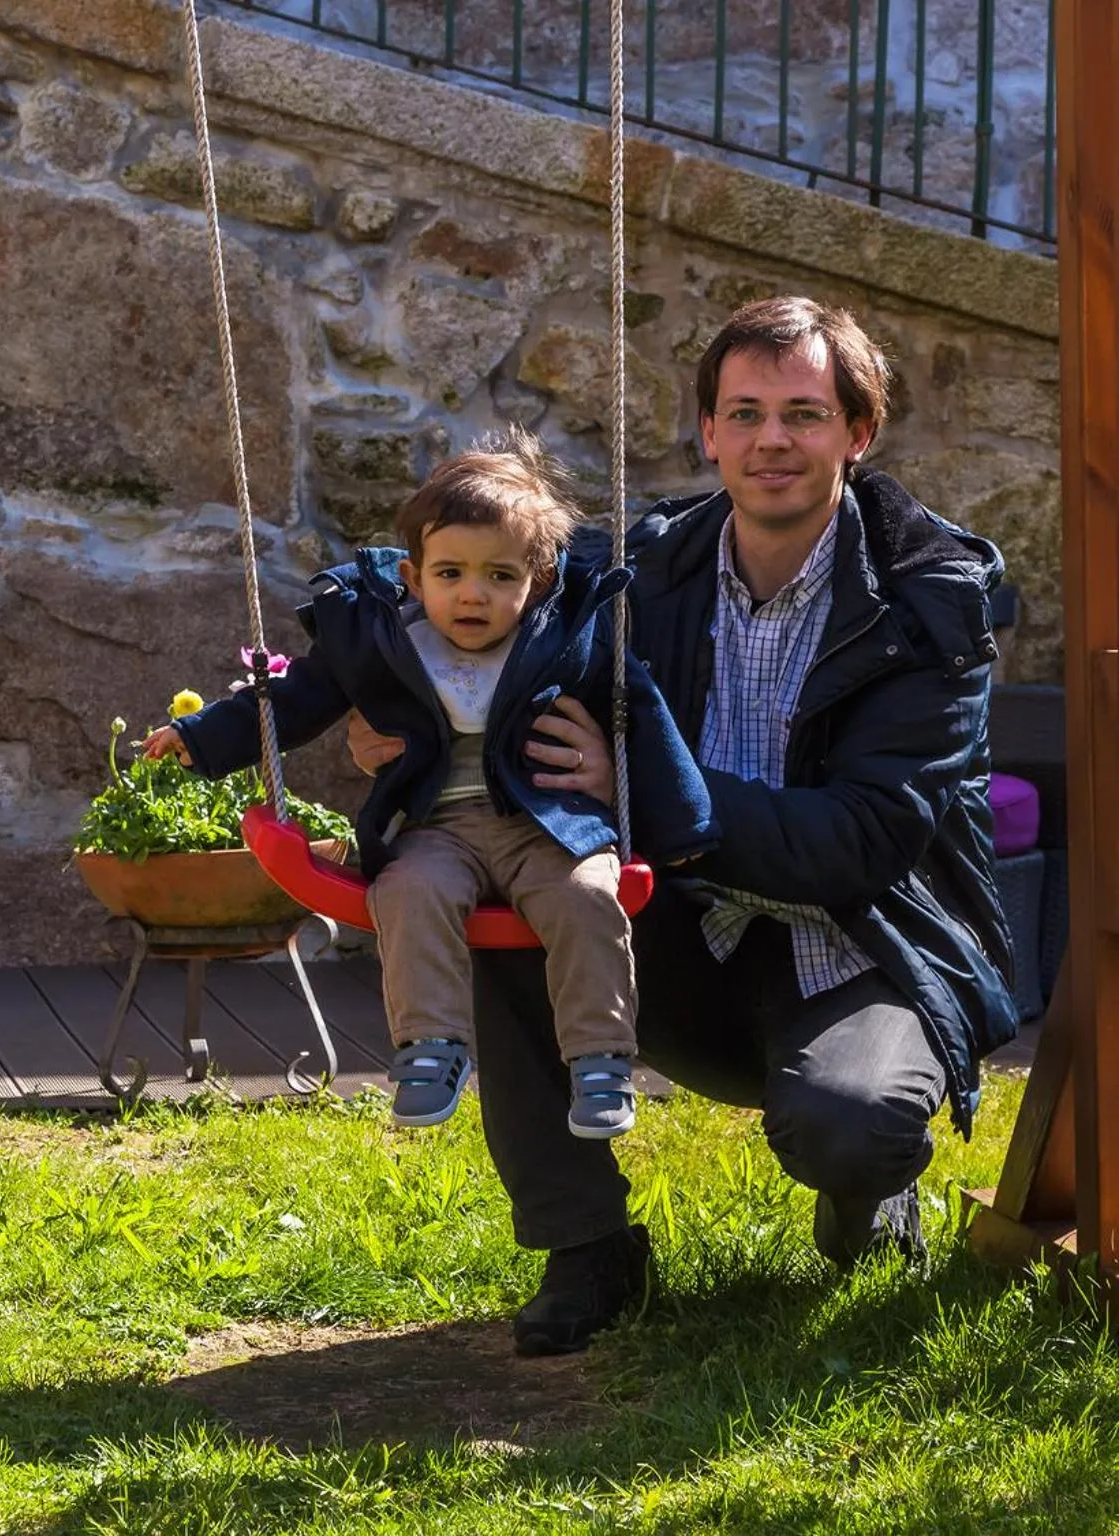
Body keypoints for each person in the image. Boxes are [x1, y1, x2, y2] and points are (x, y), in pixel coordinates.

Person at [349, 297, 1016, 1357]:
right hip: (673, 936)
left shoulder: (927, 600)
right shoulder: (635, 570)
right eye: (743, 413)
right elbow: (465, 616)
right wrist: (403, 722)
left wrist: (648, 788)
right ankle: (586, 1244)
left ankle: (867, 1190)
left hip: (860, 944)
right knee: (520, 902)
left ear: (857, 432)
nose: (769, 441)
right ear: (707, 431)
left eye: (802, 414)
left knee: (850, 1122)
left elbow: (860, 843)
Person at [145, 426, 715, 1139]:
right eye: (450, 574)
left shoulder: (569, 634)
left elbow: (641, 709)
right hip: (435, 828)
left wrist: (681, 821)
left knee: (587, 896)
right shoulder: (383, 636)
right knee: (407, 892)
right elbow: (293, 698)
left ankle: (600, 1057)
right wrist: (201, 737)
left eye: (499, 576)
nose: (472, 594)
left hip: (548, 824)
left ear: (537, 580)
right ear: (414, 579)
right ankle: (430, 1047)